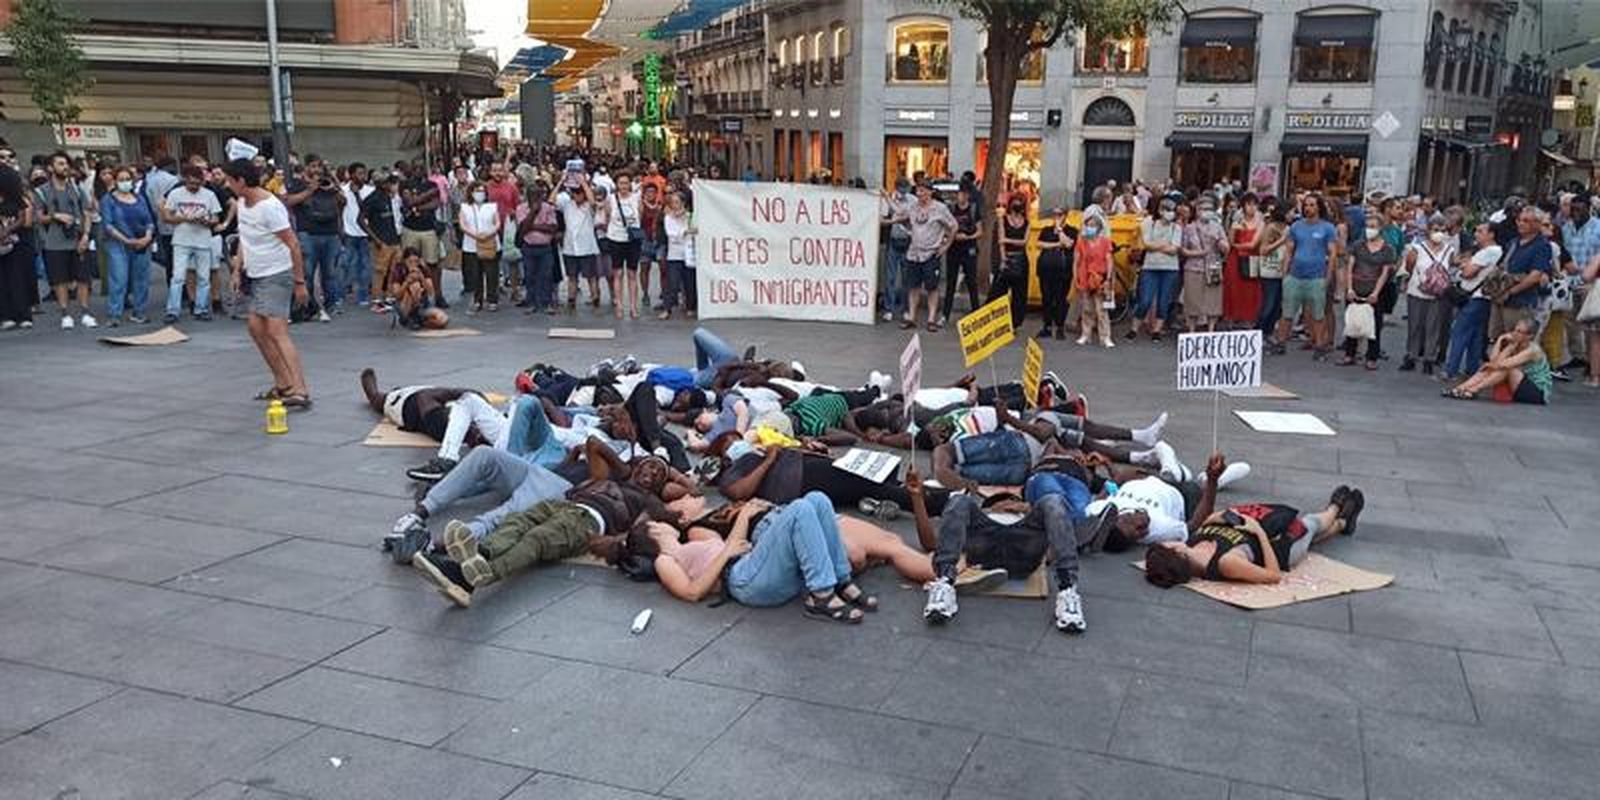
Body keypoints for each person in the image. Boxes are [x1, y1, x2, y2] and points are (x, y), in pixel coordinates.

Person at [412, 447, 698, 607]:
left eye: (657, 473)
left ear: (663, 484)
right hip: (562, 504)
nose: (649, 473)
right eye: (647, 467)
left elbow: (692, 495)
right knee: (517, 522)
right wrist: (626, 464)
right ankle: (481, 552)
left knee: (537, 539)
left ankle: (470, 578)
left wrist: (674, 475)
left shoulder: (650, 502)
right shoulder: (613, 476)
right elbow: (594, 444)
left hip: (588, 522)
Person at [634, 493, 877, 623]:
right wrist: (725, 556)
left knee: (817, 500)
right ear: (653, 530)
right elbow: (691, 592)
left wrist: (745, 516)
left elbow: (733, 546)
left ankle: (840, 579)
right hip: (743, 582)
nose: (665, 524)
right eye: (660, 524)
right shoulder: (665, 559)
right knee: (800, 509)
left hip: (750, 564)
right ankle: (822, 596)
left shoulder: (693, 539)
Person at [915, 468, 1088, 633]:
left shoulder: (1031, 515)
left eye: (1010, 500)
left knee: (1053, 501)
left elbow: (1053, 550)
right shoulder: (978, 516)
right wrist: (916, 497)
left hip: (1023, 545)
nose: (1005, 503)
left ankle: (1068, 590)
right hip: (985, 544)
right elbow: (932, 543)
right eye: (999, 500)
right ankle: (944, 583)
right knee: (958, 500)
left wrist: (1028, 509)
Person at [1143, 485, 1366, 587]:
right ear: (1176, 552)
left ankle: (1343, 524)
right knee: (1311, 525)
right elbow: (1274, 575)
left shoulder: (1191, 542)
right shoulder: (1226, 563)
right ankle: (1335, 510)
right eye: (1165, 544)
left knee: (1314, 538)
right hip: (1282, 546)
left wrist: (1221, 517)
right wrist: (1257, 532)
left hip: (1263, 528)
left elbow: (1211, 519)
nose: (1166, 540)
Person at [224, 158, 311, 409]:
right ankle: (283, 383)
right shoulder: (242, 202)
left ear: (241, 180)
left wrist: (299, 282)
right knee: (255, 327)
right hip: (258, 273)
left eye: (230, 181)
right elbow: (245, 237)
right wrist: (237, 269)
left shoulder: (270, 207)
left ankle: (300, 389)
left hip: (276, 273)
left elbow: (293, 243)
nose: (228, 185)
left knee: (276, 330)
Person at [35, 151, 95, 329]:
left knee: (83, 279)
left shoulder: (76, 189)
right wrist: (56, 216)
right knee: (60, 280)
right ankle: (65, 314)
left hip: (77, 240)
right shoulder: (41, 191)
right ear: (50, 168)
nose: (65, 167)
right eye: (60, 164)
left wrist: (85, 235)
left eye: (66, 164)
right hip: (54, 243)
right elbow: (38, 217)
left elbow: (87, 213)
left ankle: (85, 312)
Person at [281, 156, 344, 320]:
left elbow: (343, 202)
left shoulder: (329, 183)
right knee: (307, 272)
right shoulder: (298, 184)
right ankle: (306, 306)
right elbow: (289, 202)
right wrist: (310, 190)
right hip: (308, 233)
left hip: (330, 233)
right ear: (306, 167)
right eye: (313, 166)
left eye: (319, 167)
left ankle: (332, 304)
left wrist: (334, 188)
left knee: (330, 272)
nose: (317, 170)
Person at [1279, 194, 1339, 358]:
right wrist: (1285, 274)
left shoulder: (1327, 228)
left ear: (1319, 207)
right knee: (1287, 313)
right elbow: (1289, 251)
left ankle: (1320, 346)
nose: (1308, 208)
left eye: (1312, 205)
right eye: (1306, 205)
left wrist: (1328, 276)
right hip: (1295, 275)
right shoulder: (1296, 226)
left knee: (1318, 314)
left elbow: (1333, 254)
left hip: (1316, 276)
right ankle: (1281, 343)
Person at [159, 165, 221, 323]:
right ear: (185, 180)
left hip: (203, 239)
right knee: (178, 276)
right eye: (190, 183)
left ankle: (201, 308)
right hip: (181, 239)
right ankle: (173, 310)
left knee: (203, 277)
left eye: (197, 184)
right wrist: (185, 219)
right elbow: (166, 216)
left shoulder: (209, 195)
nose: (193, 187)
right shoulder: (175, 194)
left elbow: (215, 218)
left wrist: (207, 221)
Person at [891, 180, 956, 332]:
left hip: (931, 253)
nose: (920, 194)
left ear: (930, 192)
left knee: (932, 287)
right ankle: (912, 317)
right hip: (914, 253)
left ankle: (931, 319)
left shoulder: (940, 208)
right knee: (913, 286)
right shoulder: (913, 207)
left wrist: (946, 246)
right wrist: (885, 200)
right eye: (918, 191)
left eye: (923, 191)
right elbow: (899, 213)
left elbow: (953, 226)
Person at [1443, 223, 1504, 381]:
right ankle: (1471, 368)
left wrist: (1464, 266)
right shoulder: (1499, 251)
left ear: (1491, 235)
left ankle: (1451, 369)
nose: (1476, 234)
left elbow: (1469, 273)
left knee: (1459, 332)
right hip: (1485, 298)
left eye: (1480, 231)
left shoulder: (1487, 252)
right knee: (1476, 335)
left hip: (1474, 297)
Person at [1443, 318, 1553, 404]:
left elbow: (1505, 364)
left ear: (1529, 336)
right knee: (1492, 367)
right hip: (1519, 383)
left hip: (1537, 392)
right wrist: (1500, 340)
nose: (1514, 333)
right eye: (1515, 329)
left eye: (1520, 332)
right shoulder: (1515, 344)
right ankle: (1461, 388)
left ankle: (1474, 390)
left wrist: (1492, 365)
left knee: (1507, 368)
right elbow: (1494, 361)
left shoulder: (1533, 350)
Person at [1399, 213, 1456, 375]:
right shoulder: (1417, 249)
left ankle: (1429, 358)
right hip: (1416, 290)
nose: (1440, 233)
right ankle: (1411, 355)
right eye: (1436, 229)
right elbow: (1409, 267)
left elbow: (1450, 268)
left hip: (1438, 294)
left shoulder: (1449, 250)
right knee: (1415, 324)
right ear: (1429, 230)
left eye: (1443, 230)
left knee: (1434, 326)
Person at [100, 166, 155, 327]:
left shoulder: (140, 198)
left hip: (142, 243)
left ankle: (139, 312)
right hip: (118, 244)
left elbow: (149, 220)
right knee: (119, 278)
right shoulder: (108, 200)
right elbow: (108, 225)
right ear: (115, 181)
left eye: (128, 179)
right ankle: (114, 314)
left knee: (141, 279)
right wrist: (126, 240)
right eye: (121, 179)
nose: (125, 182)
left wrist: (147, 237)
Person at [1339, 218, 1397, 370]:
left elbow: (1384, 273)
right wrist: (1349, 289)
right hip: (1356, 286)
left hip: (1375, 288)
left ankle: (1372, 357)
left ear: (1380, 229)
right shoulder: (1358, 246)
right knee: (1352, 322)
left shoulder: (1388, 249)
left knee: (1375, 325)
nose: (1369, 229)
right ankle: (1349, 354)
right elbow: (1350, 268)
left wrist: (1376, 293)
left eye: (1373, 226)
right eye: (1367, 226)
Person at [1130, 197, 1183, 341]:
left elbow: (1174, 249)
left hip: (1170, 268)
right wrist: (1165, 245)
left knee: (1163, 301)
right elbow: (1147, 244)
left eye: (1172, 210)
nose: (1170, 213)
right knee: (1145, 300)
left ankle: (1157, 331)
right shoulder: (1149, 223)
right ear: (1160, 210)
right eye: (1167, 210)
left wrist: (1156, 245)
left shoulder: (1177, 228)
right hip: (1150, 267)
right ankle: (1134, 328)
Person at [400, 164, 446, 309]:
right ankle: (418, 296)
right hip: (410, 229)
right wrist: (428, 195)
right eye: (416, 167)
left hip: (429, 228)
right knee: (411, 264)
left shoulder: (432, 184)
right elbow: (409, 201)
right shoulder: (405, 184)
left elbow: (436, 204)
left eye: (421, 168)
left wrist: (416, 207)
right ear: (411, 169)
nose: (418, 170)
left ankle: (438, 295)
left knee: (433, 264)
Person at [555, 169, 601, 312]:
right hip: (570, 247)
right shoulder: (567, 205)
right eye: (574, 193)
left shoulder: (589, 207)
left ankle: (595, 299)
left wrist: (584, 183)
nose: (577, 195)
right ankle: (571, 300)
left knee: (591, 276)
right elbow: (551, 200)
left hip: (587, 247)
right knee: (572, 276)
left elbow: (592, 200)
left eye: (579, 192)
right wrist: (560, 182)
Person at [1182, 197, 1228, 334]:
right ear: (1197, 211)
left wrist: (1221, 244)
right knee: (1192, 300)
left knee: (1213, 300)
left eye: (1210, 209)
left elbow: (1226, 247)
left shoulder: (1218, 227)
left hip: (1213, 267)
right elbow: (1183, 250)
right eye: (1204, 209)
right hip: (1193, 268)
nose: (1207, 212)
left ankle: (1211, 330)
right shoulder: (1189, 228)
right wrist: (1198, 253)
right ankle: (1191, 330)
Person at [603, 171, 643, 319]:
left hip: (633, 240)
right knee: (617, 273)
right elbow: (607, 217)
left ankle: (633, 306)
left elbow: (641, 215)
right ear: (616, 185)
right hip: (615, 238)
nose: (624, 186)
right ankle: (619, 305)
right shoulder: (611, 200)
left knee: (632, 273)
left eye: (626, 183)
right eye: (621, 183)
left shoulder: (636, 199)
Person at [940, 187, 982, 325]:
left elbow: (980, 231)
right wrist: (953, 236)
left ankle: (976, 313)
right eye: (959, 193)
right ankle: (945, 315)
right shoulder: (951, 210)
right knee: (950, 283)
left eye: (963, 193)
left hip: (969, 248)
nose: (961, 196)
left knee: (972, 282)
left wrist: (968, 236)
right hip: (954, 248)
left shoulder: (974, 210)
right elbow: (945, 228)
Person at [0, 164, 35, 330]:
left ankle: (23, 314)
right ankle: (5, 315)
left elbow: (22, 217)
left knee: (16, 279)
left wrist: (7, 230)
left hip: (13, 242)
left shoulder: (14, 199)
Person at [458, 180, 502, 312]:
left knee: (492, 273)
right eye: (477, 191)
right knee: (475, 274)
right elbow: (462, 224)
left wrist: (489, 234)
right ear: (471, 193)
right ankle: (477, 300)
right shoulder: (464, 207)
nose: (480, 194)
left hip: (490, 243)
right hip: (471, 245)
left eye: (482, 191)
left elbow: (497, 222)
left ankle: (492, 299)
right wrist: (474, 235)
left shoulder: (492, 206)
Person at [359, 174, 403, 307]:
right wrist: (375, 240)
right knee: (379, 271)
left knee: (393, 270)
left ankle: (389, 296)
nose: (390, 185)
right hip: (381, 240)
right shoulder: (372, 199)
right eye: (387, 183)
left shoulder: (388, 197)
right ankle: (377, 299)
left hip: (394, 239)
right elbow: (360, 220)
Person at [519, 183, 561, 314]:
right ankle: (531, 302)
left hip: (545, 247)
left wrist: (533, 226)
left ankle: (546, 302)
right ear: (528, 196)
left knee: (546, 275)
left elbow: (553, 228)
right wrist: (533, 212)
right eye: (533, 195)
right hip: (528, 247)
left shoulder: (548, 208)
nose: (536, 198)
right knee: (529, 275)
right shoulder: (521, 208)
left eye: (538, 195)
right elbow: (523, 229)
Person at [1073, 212, 1114, 347]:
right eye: (1088, 225)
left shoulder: (1105, 242)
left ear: (1099, 228)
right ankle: (1085, 334)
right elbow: (1076, 261)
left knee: (1102, 309)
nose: (1089, 228)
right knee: (1086, 308)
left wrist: (1108, 278)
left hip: (1100, 278)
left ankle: (1105, 337)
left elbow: (1109, 260)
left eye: (1092, 225)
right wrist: (1075, 278)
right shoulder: (1081, 242)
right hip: (1085, 277)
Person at [1223, 193, 1264, 326]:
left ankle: (1249, 319)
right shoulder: (1237, 222)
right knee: (1233, 287)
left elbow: (1253, 244)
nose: (1251, 208)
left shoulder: (1260, 223)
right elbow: (1230, 241)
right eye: (1248, 204)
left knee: (1250, 289)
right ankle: (1231, 318)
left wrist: (1237, 246)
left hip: (1251, 258)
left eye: (1254, 204)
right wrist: (1234, 228)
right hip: (1235, 259)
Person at [1035, 206, 1075, 340]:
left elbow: (1069, 244)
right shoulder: (1046, 230)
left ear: (1066, 215)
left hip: (1063, 270)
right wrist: (1057, 245)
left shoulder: (1072, 230)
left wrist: (1059, 231)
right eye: (1054, 214)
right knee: (1046, 298)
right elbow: (1039, 244)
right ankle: (1046, 326)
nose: (1056, 217)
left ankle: (1059, 326)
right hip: (1046, 268)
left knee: (1060, 298)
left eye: (1060, 214)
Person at [339, 162, 375, 308]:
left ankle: (363, 295)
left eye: (364, 173)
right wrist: (340, 229)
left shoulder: (369, 190)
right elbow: (339, 210)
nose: (363, 176)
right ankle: (339, 295)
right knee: (345, 264)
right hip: (349, 232)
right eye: (359, 173)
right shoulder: (342, 190)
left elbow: (365, 210)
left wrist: (356, 194)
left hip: (364, 233)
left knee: (365, 266)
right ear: (352, 174)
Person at [992, 194, 1030, 329]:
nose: (1017, 204)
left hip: (1021, 259)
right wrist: (1003, 259)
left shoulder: (1026, 222)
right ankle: (995, 322)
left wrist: (1007, 240)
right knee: (998, 292)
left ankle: (1014, 323)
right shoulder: (1003, 219)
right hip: (1007, 257)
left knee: (1019, 294)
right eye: (1015, 202)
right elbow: (1000, 241)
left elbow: (1024, 242)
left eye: (1020, 202)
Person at [658, 190, 693, 319]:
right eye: (672, 202)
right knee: (672, 283)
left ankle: (690, 307)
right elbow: (671, 234)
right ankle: (667, 309)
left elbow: (695, 232)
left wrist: (687, 232)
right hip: (674, 255)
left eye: (677, 202)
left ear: (683, 203)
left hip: (688, 255)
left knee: (689, 282)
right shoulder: (668, 218)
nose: (674, 205)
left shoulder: (690, 216)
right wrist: (685, 231)